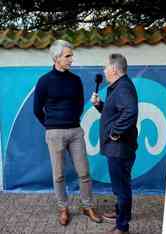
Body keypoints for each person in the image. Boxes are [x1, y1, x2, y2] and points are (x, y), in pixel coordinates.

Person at [33, 39, 102, 225]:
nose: (72, 59)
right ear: (57, 58)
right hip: (54, 133)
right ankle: (63, 208)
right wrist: (50, 126)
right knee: (59, 175)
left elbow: (79, 104)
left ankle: (87, 206)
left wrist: (71, 121)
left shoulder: (75, 80)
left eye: (71, 55)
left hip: (75, 131)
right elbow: (37, 110)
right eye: (68, 56)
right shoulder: (44, 81)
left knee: (84, 172)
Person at [90, 53, 138, 234]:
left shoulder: (123, 87)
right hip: (117, 147)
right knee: (122, 185)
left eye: (106, 67)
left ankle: (122, 227)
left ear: (114, 69)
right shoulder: (117, 86)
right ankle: (121, 213)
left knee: (121, 188)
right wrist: (99, 104)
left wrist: (115, 132)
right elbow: (114, 113)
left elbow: (130, 111)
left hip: (120, 148)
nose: (104, 70)